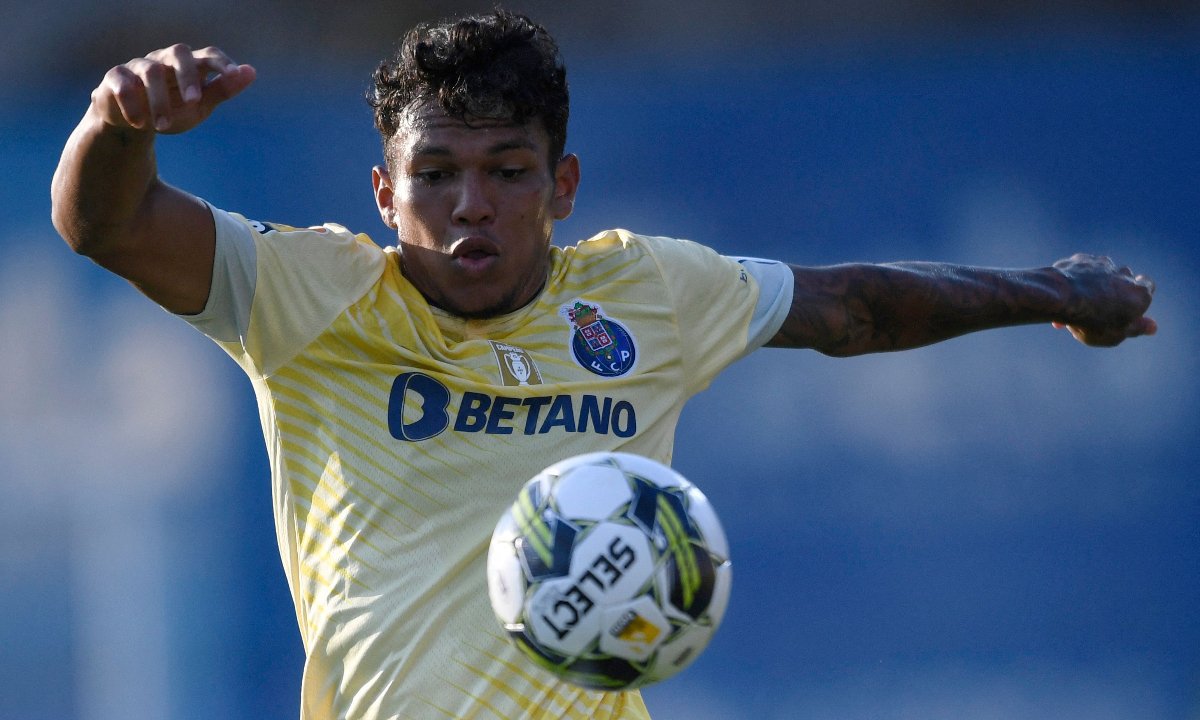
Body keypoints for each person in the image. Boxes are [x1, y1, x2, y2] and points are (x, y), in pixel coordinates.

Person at [50, 9, 1156, 720]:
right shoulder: (304, 295)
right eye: (434, 175)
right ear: (384, 193)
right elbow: (106, 222)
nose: (469, 206)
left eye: (508, 170)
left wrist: (1057, 293)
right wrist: (117, 121)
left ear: (564, 187)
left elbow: (853, 307)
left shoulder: (643, 294)